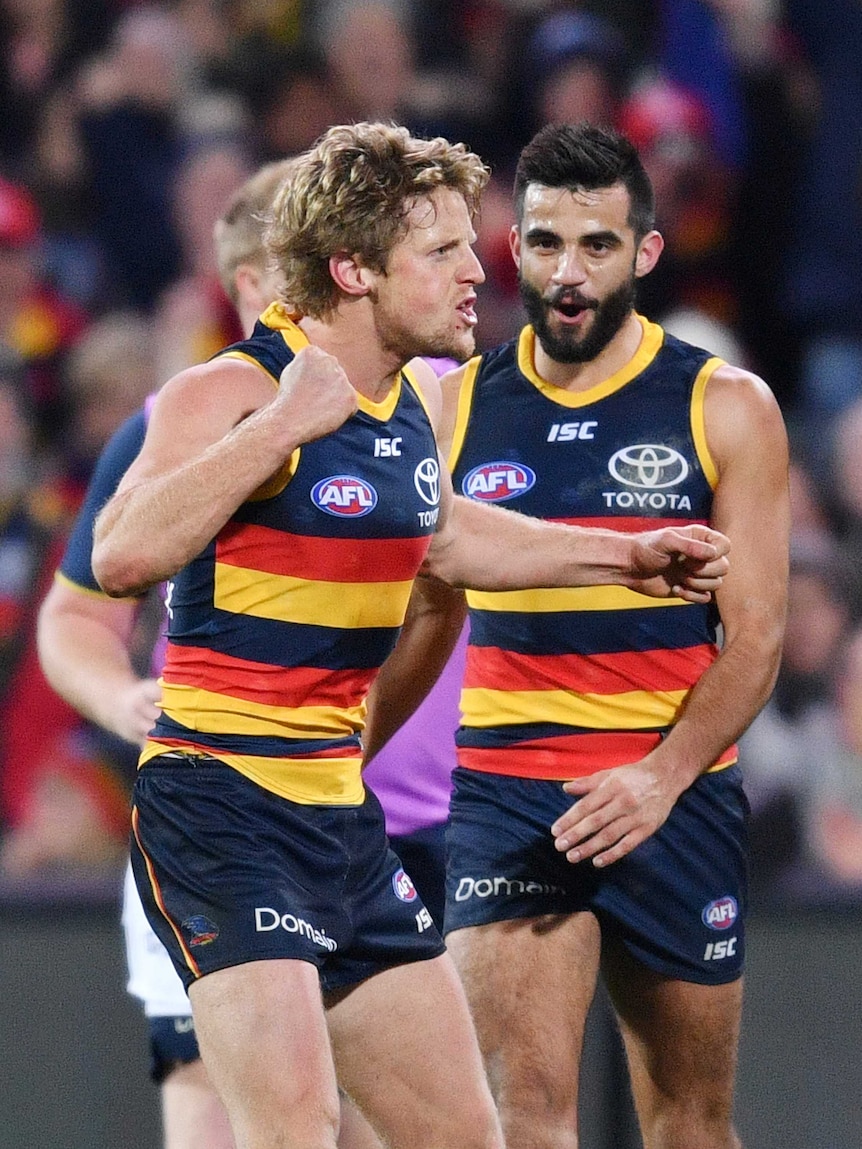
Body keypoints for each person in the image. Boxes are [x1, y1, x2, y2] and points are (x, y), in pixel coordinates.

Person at [89, 121, 730, 1149]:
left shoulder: (411, 409)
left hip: (339, 818)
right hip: (221, 808)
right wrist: (277, 430)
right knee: (295, 1129)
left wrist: (624, 554)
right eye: (440, 253)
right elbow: (122, 555)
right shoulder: (235, 391)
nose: (477, 273)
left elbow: (446, 533)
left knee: (458, 1135)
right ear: (351, 269)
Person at [367, 122, 789, 1149]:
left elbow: (757, 639)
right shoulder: (455, 406)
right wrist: (338, 762)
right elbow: (432, 613)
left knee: (689, 1121)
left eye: (596, 246)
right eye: (547, 242)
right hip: (513, 793)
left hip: (672, 792)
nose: (567, 272)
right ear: (515, 246)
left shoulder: (723, 405)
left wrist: (661, 777)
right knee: (520, 1119)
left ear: (644, 252)